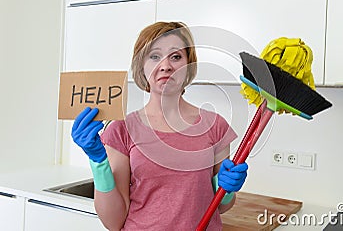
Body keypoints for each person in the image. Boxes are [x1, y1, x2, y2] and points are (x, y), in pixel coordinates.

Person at [71, 21, 248, 230]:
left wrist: (226, 190)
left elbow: (221, 207)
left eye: (176, 56)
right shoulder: (121, 129)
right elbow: (113, 221)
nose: (166, 66)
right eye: (154, 56)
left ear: (189, 65)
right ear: (142, 66)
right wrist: (98, 162)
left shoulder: (214, 125)